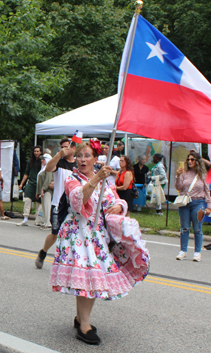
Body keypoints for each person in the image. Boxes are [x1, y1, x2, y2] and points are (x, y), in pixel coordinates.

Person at [49, 140, 150, 345]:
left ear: (95, 158)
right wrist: (95, 178)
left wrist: (119, 207)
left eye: (87, 155)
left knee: (91, 278)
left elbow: (116, 199)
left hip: (97, 235)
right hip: (77, 233)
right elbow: (78, 201)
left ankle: (80, 319)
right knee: (89, 277)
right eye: (79, 156)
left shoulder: (106, 180)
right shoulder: (72, 178)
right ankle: (84, 324)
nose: (82, 159)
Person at [35, 137, 77, 269]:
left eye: (67, 146)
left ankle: (68, 262)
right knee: (55, 233)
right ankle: (43, 252)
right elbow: (48, 168)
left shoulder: (78, 165)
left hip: (74, 206)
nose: (64, 149)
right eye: (62, 147)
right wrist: (58, 154)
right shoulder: (59, 163)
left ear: (74, 148)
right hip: (58, 204)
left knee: (73, 235)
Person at [175, 151, 211, 262]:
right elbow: (179, 187)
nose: (190, 161)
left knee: (197, 229)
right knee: (184, 228)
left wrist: (209, 205)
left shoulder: (203, 175)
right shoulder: (184, 173)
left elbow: (207, 191)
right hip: (185, 203)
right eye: (188, 159)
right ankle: (183, 251)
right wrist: (178, 176)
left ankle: (197, 252)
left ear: (197, 162)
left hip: (198, 203)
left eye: (192, 159)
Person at [17, 145, 43, 226]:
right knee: (27, 199)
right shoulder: (30, 161)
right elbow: (26, 173)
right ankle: (25, 219)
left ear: (41, 152)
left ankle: (38, 219)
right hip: (30, 183)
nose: (36, 153)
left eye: (38, 151)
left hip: (39, 184)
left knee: (38, 202)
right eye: (35, 151)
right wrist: (21, 184)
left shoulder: (42, 161)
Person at [36, 153, 53, 229]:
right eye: (42, 159)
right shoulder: (43, 168)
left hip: (47, 191)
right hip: (44, 191)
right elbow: (39, 181)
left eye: (44, 159)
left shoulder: (48, 169)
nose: (42, 160)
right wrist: (38, 192)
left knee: (47, 206)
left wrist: (43, 189)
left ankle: (48, 223)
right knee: (44, 206)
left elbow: (48, 180)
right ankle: (45, 222)